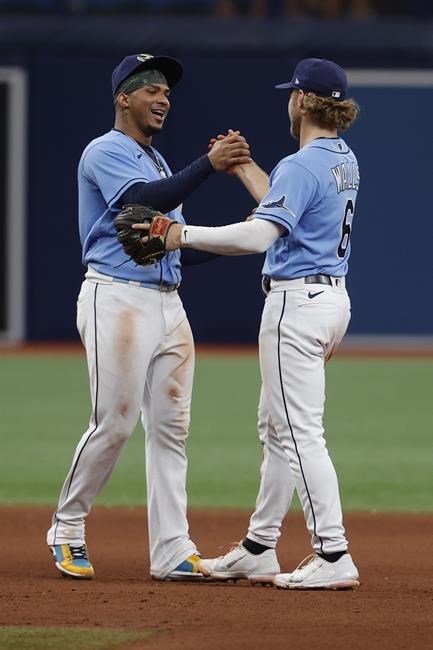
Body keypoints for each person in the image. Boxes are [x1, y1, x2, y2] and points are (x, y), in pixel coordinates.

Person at [139, 57, 361, 589]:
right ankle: (260, 547)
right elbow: (287, 210)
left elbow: (261, 236)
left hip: (296, 304)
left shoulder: (302, 165)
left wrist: (179, 235)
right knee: (278, 429)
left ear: (304, 101)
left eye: (292, 93)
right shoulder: (341, 159)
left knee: (300, 431)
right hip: (329, 300)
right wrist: (244, 169)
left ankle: (333, 553)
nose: (288, 100)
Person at [46, 52, 251, 581]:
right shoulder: (105, 151)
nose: (164, 99)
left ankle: (171, 550)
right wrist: (208, 165)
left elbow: (175, 245)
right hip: (116, 298)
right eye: (152, 89)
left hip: (167, 303)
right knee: (113, 423)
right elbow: (139, 204)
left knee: (171, 429)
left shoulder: (159, 162)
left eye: (167, 92)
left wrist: (244, 236)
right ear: (124, 97)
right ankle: (66, 528)